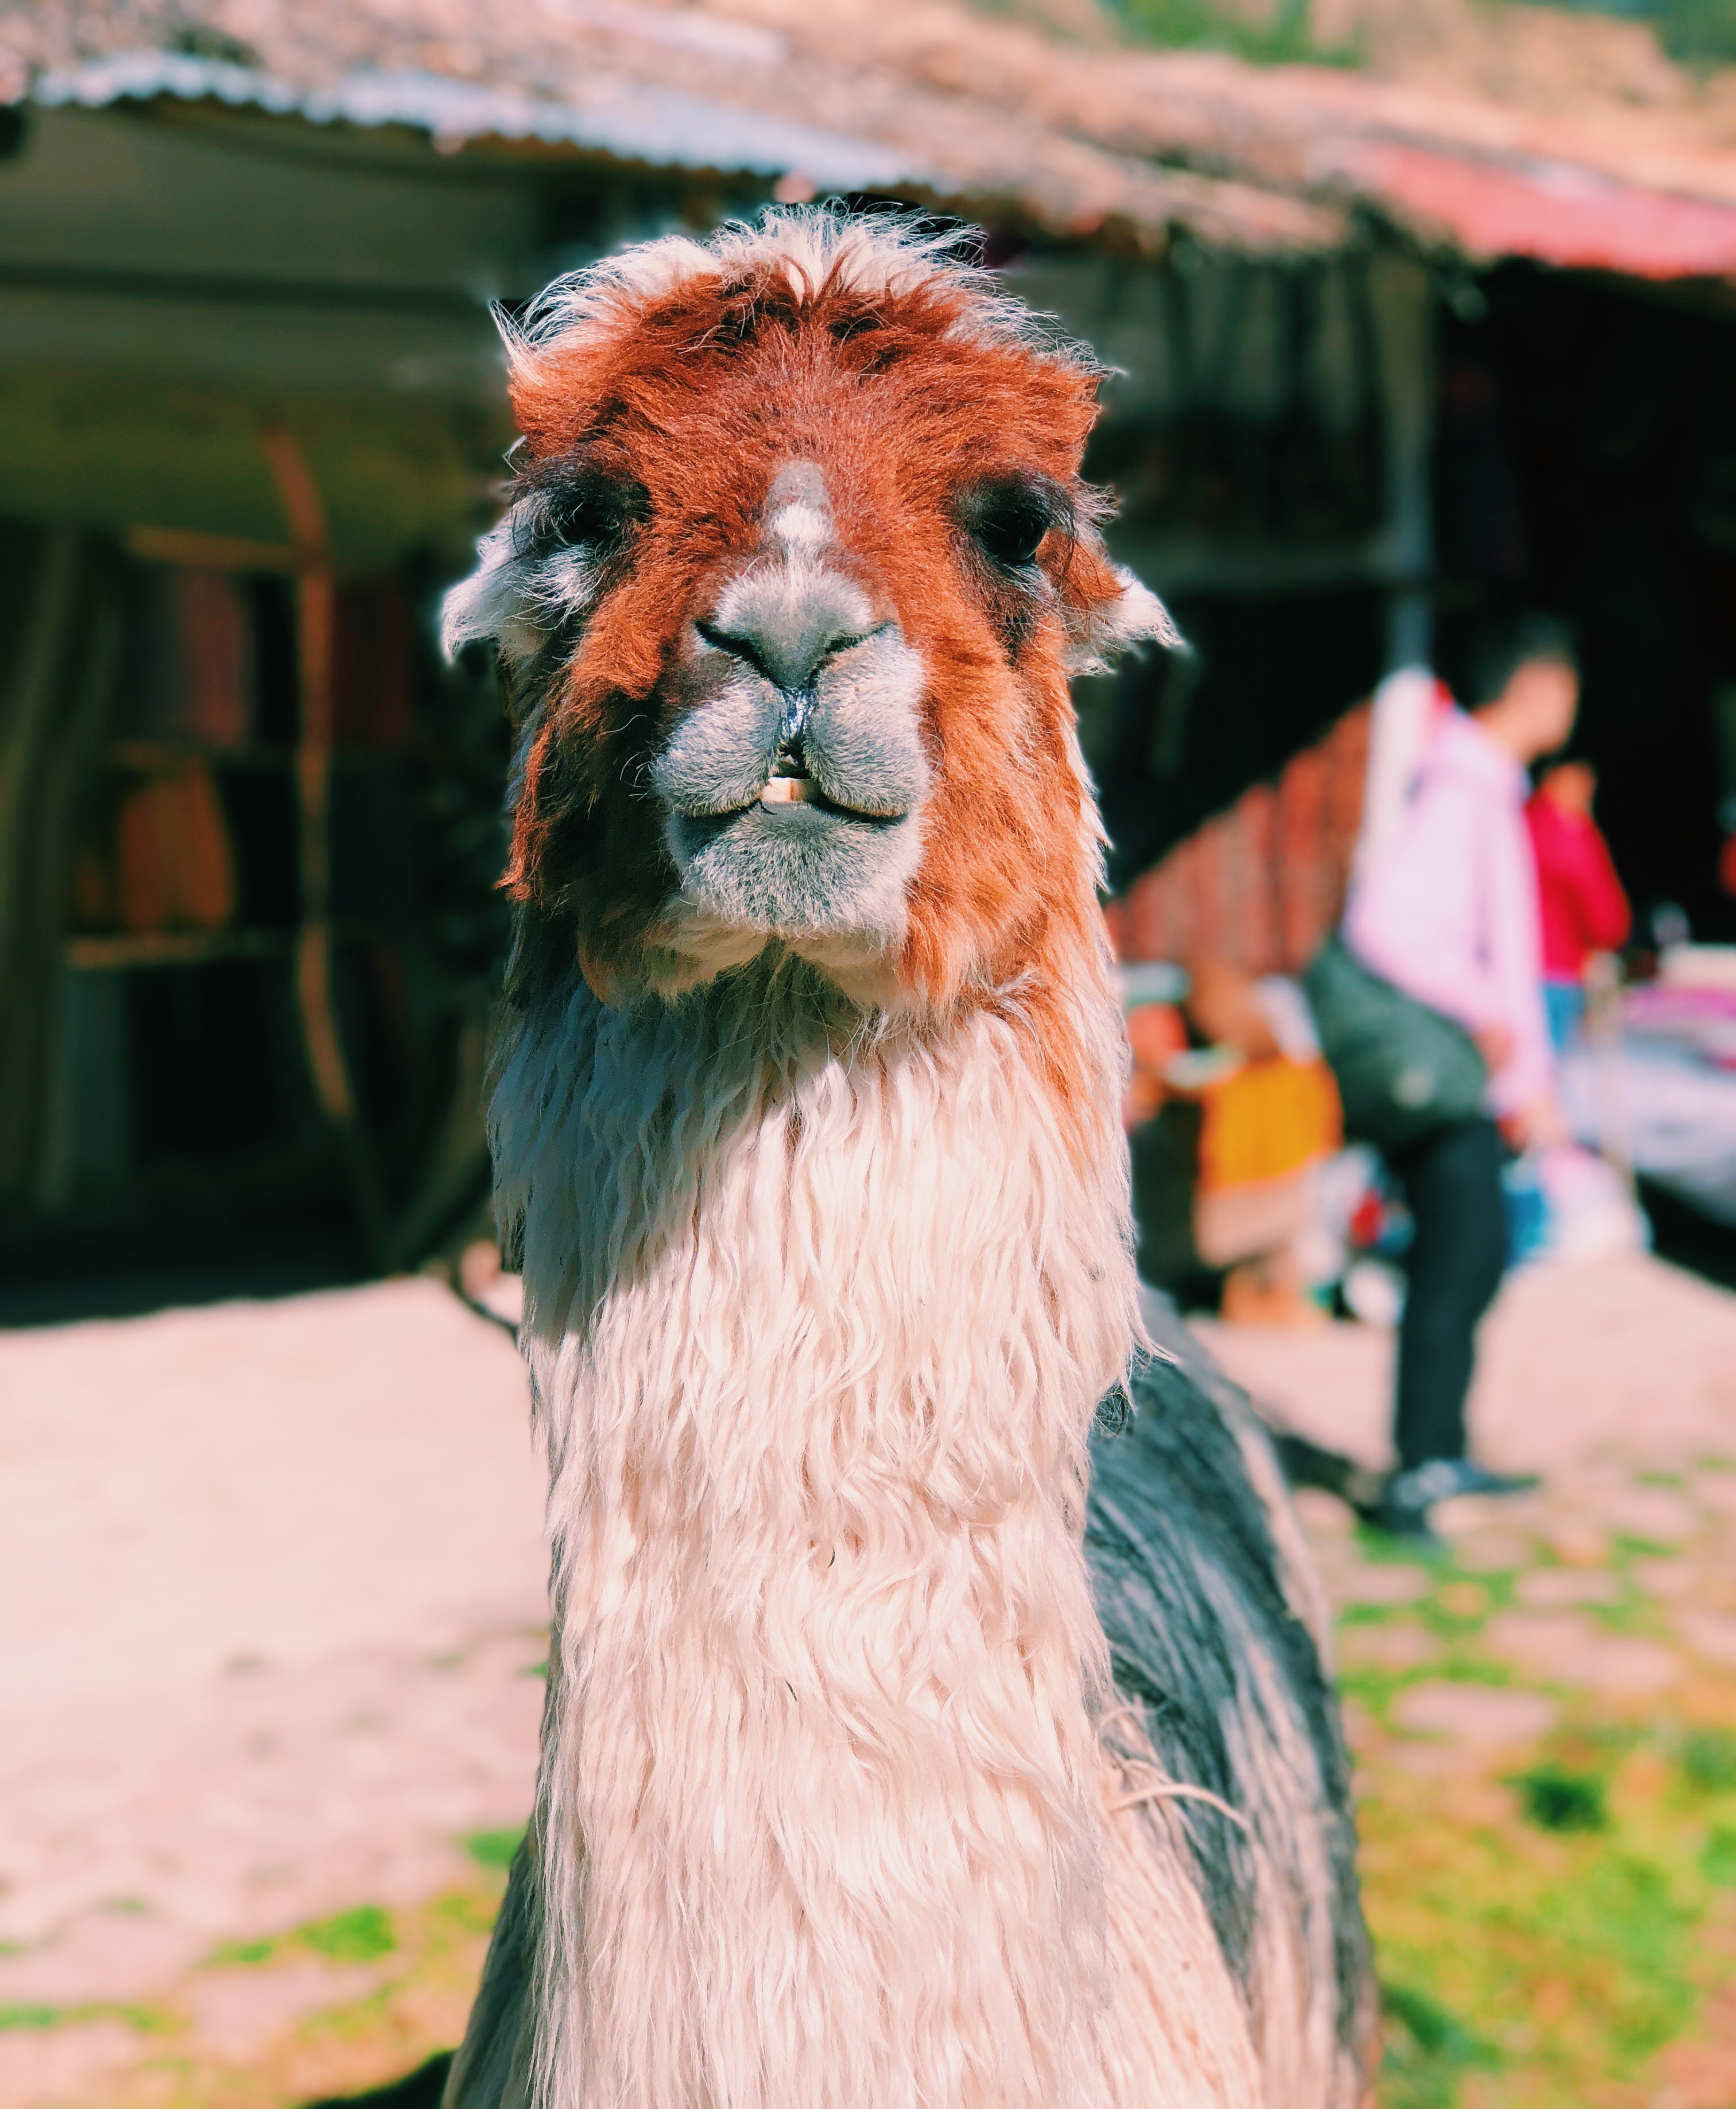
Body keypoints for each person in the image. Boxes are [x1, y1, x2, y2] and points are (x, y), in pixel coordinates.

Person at [1342, 614, 1577, 1540]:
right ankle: (1416, 1473)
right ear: (1534, 686)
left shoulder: (1482, 783)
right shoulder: (1466, 788)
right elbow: (1385, 927)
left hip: (1470, 1080)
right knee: (1456, 1264)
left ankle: (1442, 1448)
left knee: (1469, 1260)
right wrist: (1487, 1014)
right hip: (1446, 1078)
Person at [1525, 757, 1630, 1051]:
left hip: (1520, 966)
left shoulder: (1517, 822)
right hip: (1555, 970)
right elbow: (1604, 915)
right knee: (1543, 1069)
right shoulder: (1567, 834)